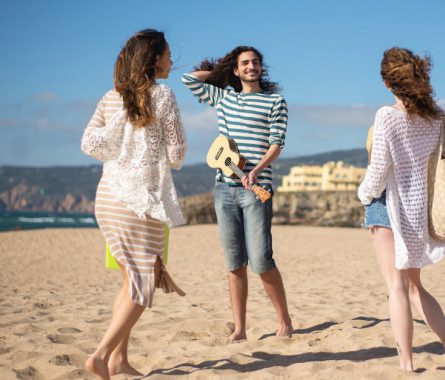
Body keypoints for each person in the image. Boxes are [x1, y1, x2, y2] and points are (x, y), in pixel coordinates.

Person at [81, 29, 187, 379]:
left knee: (130, 282)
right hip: (141, 202)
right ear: (154, 59)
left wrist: (120, 141)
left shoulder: (110, 98)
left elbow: (90, 143)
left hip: (109, 198)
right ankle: (101, 355)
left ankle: (119, 362)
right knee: (142, 286)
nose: (172, 61)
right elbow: (176, 154)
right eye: (169, 54)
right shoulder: (165, 95)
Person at [358, 47, 445, 371]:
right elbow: (441, 159)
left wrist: (363, 195)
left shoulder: (387, 116)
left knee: (395, 288)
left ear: (387, 82)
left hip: (387, 205)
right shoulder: (439, 118)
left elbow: (378, 172)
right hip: (418, 210)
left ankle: (406, 362)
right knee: (416, 288)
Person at [182, 46, 293, 341]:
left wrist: (257, 169)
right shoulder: (225, 98)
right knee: (234, 263)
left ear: (261, 67)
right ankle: (240, 328)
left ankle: (284, 320)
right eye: (245, 63)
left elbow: (277, 143)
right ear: (236, 69)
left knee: (261, 260)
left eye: (256, 62)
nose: (251, 66)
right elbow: (188, 80)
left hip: (257, 189)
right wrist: (221, 69)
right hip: (224, 189)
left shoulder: (275, 101)